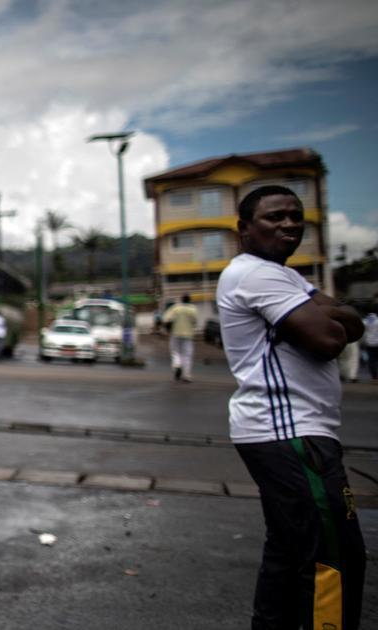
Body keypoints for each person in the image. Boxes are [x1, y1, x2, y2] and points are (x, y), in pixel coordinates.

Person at [215, 185, 366, 629]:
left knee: (289, 550)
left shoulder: (286, 277)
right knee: (333, 556)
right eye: (274, 217)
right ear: (243, 229)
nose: (288, 225)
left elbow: (350, 321)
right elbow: (330, 338)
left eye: (295, 216)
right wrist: (325, 315)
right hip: (290, 433)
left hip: (287, 433)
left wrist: (324, 312)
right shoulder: (255, 275)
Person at [162, 294, 198, 382]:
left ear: (181, 300)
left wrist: (168, 327)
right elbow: (194, 321)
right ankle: (186, 375)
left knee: (175, 352)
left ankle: (177, 365)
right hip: (188, 335)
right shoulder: (193, 309)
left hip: (175, 333)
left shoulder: (176, 308)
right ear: (189, 300)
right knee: (187, 355)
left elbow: (165, 318)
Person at [361, 311, 378, 381]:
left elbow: (363, 333)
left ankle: (374, 377)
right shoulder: (377, 321)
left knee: (371, 360)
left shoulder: (364, 321)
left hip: (369, 344)